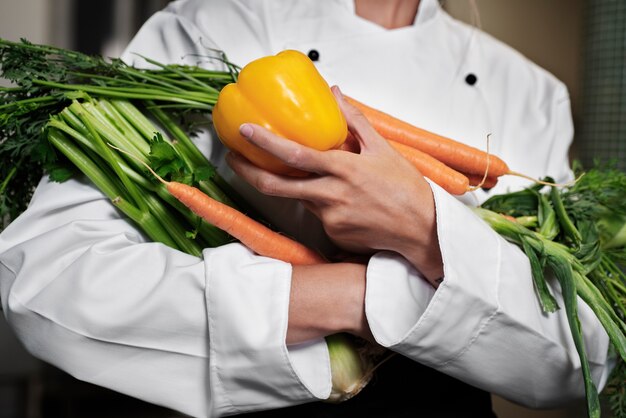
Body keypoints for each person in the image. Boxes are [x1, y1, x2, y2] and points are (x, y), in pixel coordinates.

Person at [0, 0, 612, 417]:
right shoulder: (209, 28)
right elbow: (50, 278)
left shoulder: (530, 92)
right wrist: (352, 296)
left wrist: (425, 229)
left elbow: (574, 358)